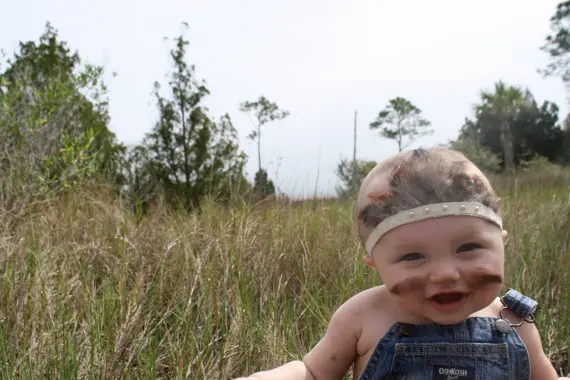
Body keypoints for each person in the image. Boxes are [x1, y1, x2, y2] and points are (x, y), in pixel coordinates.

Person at [234, 147, 568, 380]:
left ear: (502, 244)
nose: (446, 273)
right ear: (375, 264)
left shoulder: (513, 323)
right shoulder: (363, 315)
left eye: (468, 247)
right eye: (413, 256)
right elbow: (313, 373)